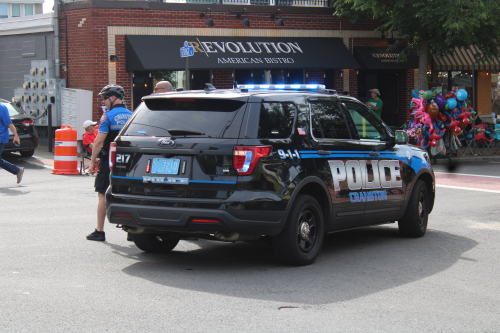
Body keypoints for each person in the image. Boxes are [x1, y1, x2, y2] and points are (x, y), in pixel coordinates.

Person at [86, 85, 132, 241]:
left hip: (109, 161)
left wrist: (92, 162)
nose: (103, 102)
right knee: (128, 194)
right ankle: (132, 231)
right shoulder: (132, 115)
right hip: (128, 161)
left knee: (102, 194)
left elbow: (99, 141)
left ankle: (100, 231)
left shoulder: (108, 116)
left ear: (113, 98)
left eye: (104, 98)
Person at [0, 103, 24, 184]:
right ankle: (17, 170)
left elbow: (9, 123)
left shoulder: (2, 108)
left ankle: (17, 170)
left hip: (1, 136)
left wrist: (16, 136)